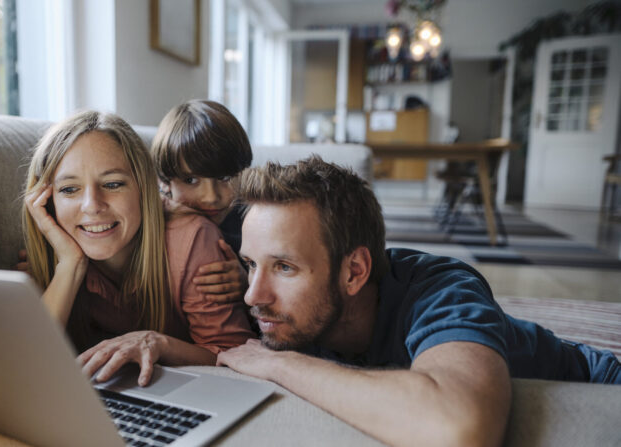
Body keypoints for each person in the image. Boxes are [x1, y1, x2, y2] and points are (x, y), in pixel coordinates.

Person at [217, 156, 621, 447]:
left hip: (594, 389)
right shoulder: (286, 308)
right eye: (251, 264)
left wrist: (279, 363)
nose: (254, 294)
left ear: (354, 272)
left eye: (284, 267)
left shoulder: (442, 290)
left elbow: (459, 430)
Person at [23, 110, 253, 386]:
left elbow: (237, 359)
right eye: (69, 190)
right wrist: (69, 267)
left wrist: (159, 343)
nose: (92, 206)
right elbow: (24, 369)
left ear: (145, 188)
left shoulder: (195, 238)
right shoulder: (56, 247)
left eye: (113, 184)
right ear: (48, 202)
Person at [151, 99, 253, 303]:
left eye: (224, 178)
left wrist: (248, 283)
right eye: (191, 180)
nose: (211, 197)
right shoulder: (152, 225)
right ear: (164, 182)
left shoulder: (253, 221)